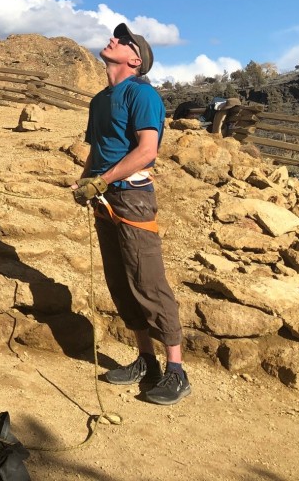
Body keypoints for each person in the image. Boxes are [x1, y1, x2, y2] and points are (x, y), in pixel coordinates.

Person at [71, 22, 191, 406]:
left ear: (135, 60)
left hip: (132, 198)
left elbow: (146, 151)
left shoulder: (142, 94)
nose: (114, 39)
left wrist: (101, 181)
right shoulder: (100, 100)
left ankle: (177, 370)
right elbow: (98, 148)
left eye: (123, 40)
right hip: (104, 198)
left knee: (148, 281)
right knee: (120, 281)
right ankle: (146, 361)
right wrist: (85, 181)